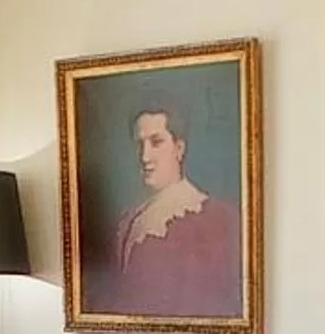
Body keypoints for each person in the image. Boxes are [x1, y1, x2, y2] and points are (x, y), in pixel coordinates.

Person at [94, 99, 242, 319]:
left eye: (156, 142)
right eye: (139, 144)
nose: (145, 157)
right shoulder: (127, 218)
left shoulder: (212, 218)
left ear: (179, 148)